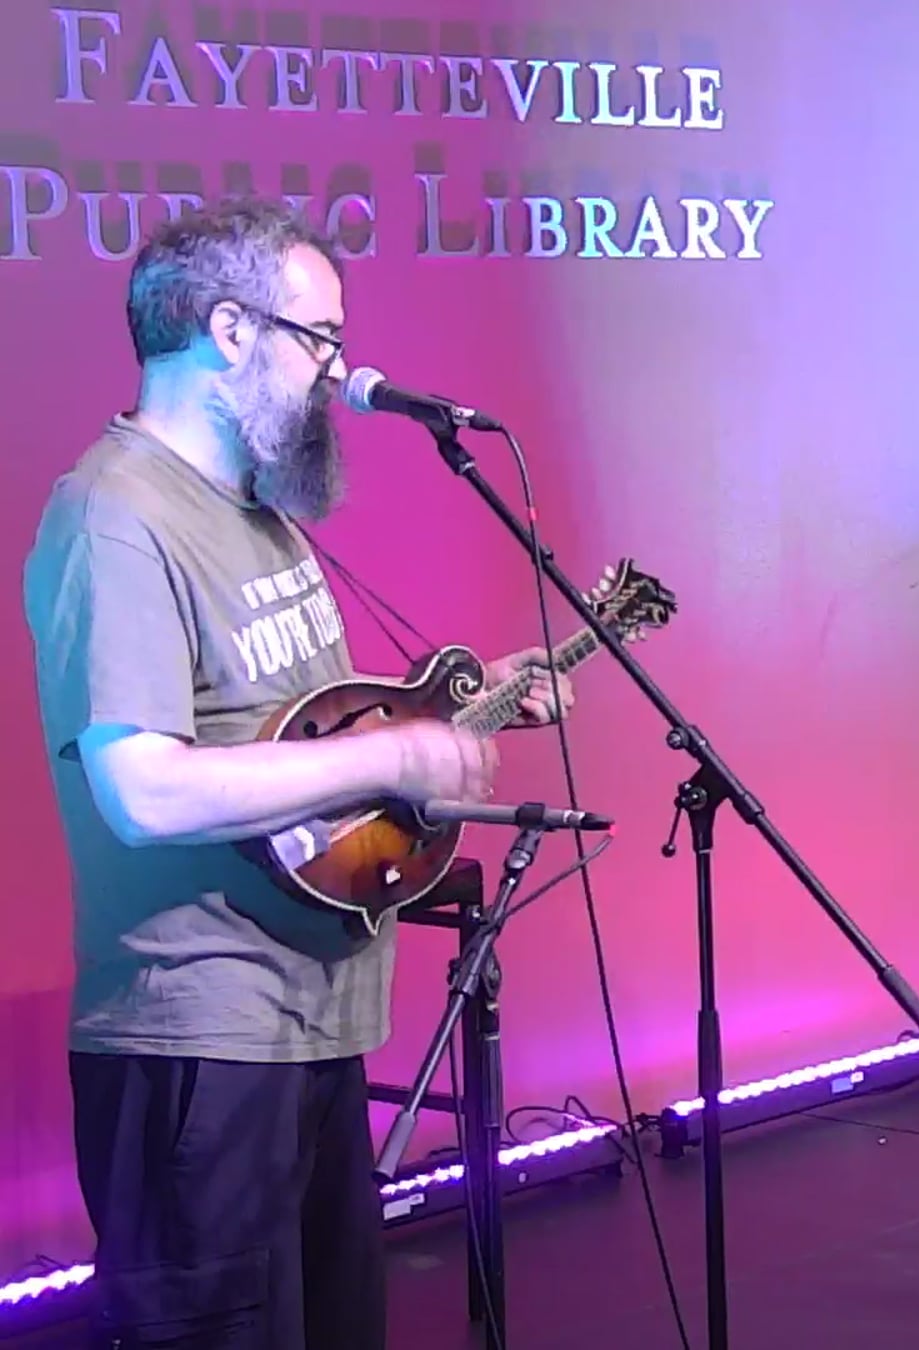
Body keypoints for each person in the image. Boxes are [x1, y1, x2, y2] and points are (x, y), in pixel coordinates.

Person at [22, 197, 573, 1349]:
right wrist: (396, 753)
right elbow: (143, 789)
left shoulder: (255, 512)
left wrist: (460, 710)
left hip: (306, 1027)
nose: (339, 370)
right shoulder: (114, 516)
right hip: (197, 1045)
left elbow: (294, 739)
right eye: (318, 336)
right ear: (229, 330)